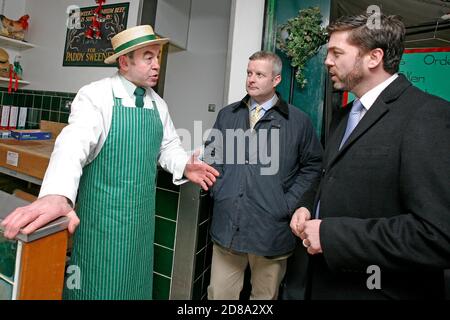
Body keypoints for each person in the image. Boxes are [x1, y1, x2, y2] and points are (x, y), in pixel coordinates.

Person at [1, 25, 219, 300]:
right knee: (95, 287)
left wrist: (184, 165)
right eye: (148, 57)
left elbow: (168, 147)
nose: (157, 65)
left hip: (140, 223)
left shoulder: (158, 105)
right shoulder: (97, 95)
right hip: (102, 224)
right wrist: (57, 194)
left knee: (134, 286)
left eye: (158, 57)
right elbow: (73, 142)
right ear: (124, 61)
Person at [290, 13, 450, 299]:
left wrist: (331, 236)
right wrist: (306, 205)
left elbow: (437, 235)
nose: (327, 61)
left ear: (374, 57)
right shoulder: (343, 115)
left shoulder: (427, 116)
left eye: (337, 53)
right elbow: (328, 176)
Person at [204, 51, 322, 300]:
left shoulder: (299, 122)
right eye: (249, 73)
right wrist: (220, 188)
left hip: (271, 231)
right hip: (228, 227)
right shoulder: (228, 115)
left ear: (276, 80)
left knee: (264, 297)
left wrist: (286, 204)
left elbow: (313, 166)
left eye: (259, 74)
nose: (251, 79)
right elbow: (212, 156)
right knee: (219, 295)